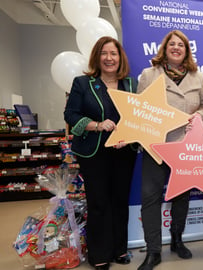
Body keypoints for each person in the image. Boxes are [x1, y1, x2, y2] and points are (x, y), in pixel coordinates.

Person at [64, 36, 137, 270]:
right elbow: (71, 115)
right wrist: (96, 125)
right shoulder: (83, 83)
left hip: (124, 151)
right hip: (94, 152)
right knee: (98, 202)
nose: (109, 58)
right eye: (104, 53)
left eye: (113, 53)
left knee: (119, 201)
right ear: (97, 57)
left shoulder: (131, 85)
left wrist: (127, 135)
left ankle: (120, 249)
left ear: (120, 57)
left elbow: (139, 118)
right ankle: (99, 254)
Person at [136, 30, 203, 270]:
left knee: (181, 195)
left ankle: (178, 240)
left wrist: (200, 114)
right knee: (150, 197)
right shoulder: (149, 75)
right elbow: (139, 109)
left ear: (187, 51)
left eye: (181, 45)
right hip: (155, 145)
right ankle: (153, 251)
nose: (176, 48)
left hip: (184, 146)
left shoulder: (197, 77)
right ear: (165, 48)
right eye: (172, 44)